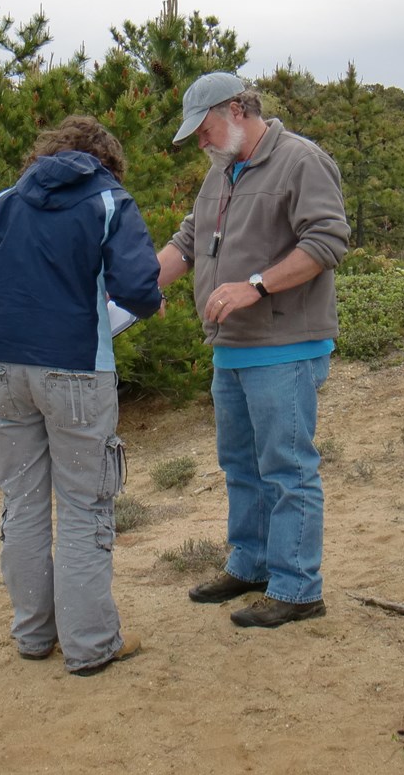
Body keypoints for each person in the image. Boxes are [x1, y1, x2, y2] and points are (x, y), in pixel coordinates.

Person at [156, 72, 350, 628]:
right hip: (232, 349)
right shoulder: (221, 172)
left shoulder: (300, 160)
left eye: (206, 128)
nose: (201, 142)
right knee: (240, 465)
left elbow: (327, 241)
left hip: (285, 345)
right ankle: (252, 564)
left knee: (286, 469)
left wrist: (255, 285)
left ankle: (297, 588)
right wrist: (142, 286)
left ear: (238, 110)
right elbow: (189, 240)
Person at [0, 115, 162, 675]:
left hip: (3, 366)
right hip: (76, 371)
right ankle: (90, 645)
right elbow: (140, 289)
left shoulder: (9, 199)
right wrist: (138, 305)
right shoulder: (109, 200)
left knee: (23, 504)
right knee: (84, 508)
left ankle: (34, 636)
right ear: (109, 160)